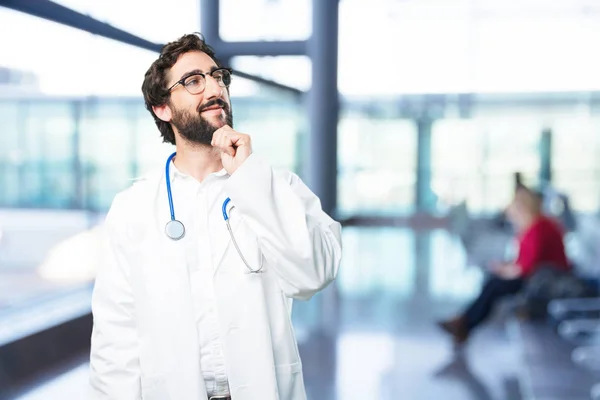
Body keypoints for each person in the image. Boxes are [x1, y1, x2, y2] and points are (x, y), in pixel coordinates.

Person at [89, 33, 343, 400]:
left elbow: (313, 274)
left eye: (218, 76)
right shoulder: (133, 207)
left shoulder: (275, 185)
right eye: (194, 81)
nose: (214, 87)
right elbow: (116, 338)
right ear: (163, 109)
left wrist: (251, 179)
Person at [438, 186, 569, 345]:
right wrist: (505, 268)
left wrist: (505, 270)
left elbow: (527, 268)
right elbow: (525, 261)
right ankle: (463, 322)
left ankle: (464, 323)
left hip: (546, 280)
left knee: (494, 285)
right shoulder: (533, 226)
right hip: (538, 276)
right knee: (493, 282)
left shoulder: (539, 228)